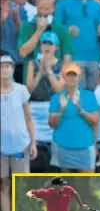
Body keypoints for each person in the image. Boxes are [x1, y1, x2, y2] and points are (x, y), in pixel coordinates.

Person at [0, 53, 37, 211]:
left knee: (21, 185)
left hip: (20, 144)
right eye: (2, 66)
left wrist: (33, 142)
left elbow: (29, 117)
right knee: (3, 185)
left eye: (8, 66)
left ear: (13, 69)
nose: (5, 69)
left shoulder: (21, 90)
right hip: (1, 147)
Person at [48, 62, 100, 173]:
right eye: (69, 75)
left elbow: (95, 121)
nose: (71, 78)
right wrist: (61, 109)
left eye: (74, 75)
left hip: (85, 145)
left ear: (80, 76)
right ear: (63, 76)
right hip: (63, 145)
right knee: (65, 184)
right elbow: (52, 124)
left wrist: (80, 109)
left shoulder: (90, 96)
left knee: (86, 184)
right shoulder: (56, 98)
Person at [26, 32, 64, 173]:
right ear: (40, 46)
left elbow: (60, 89)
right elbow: (29, 90)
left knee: (55, 152)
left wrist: (48, 70)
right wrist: (40, 72)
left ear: (56, 47)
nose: (47, 46)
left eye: (50, 43)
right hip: (35, 108)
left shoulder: (61, 64)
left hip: (53, 108)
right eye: (44, 43)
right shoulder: (32, 64)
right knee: (35, 148)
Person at [54, 0, 100, 91]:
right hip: (73, 56)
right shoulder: (63, 2)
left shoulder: (96, 4)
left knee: (94, 96)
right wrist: (67, 30)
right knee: (77, 95)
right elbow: (55, 27)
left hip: (95, 57)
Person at [17, 0, 73, 82]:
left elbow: (67, 58)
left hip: (55, 78)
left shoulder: (62, 29)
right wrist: (39, 31)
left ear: (53, 9)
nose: (43, 12)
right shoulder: (26, 27)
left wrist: (63, 81)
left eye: (46, 9)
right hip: (32, 79)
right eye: (41, 8)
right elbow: (23, 53)